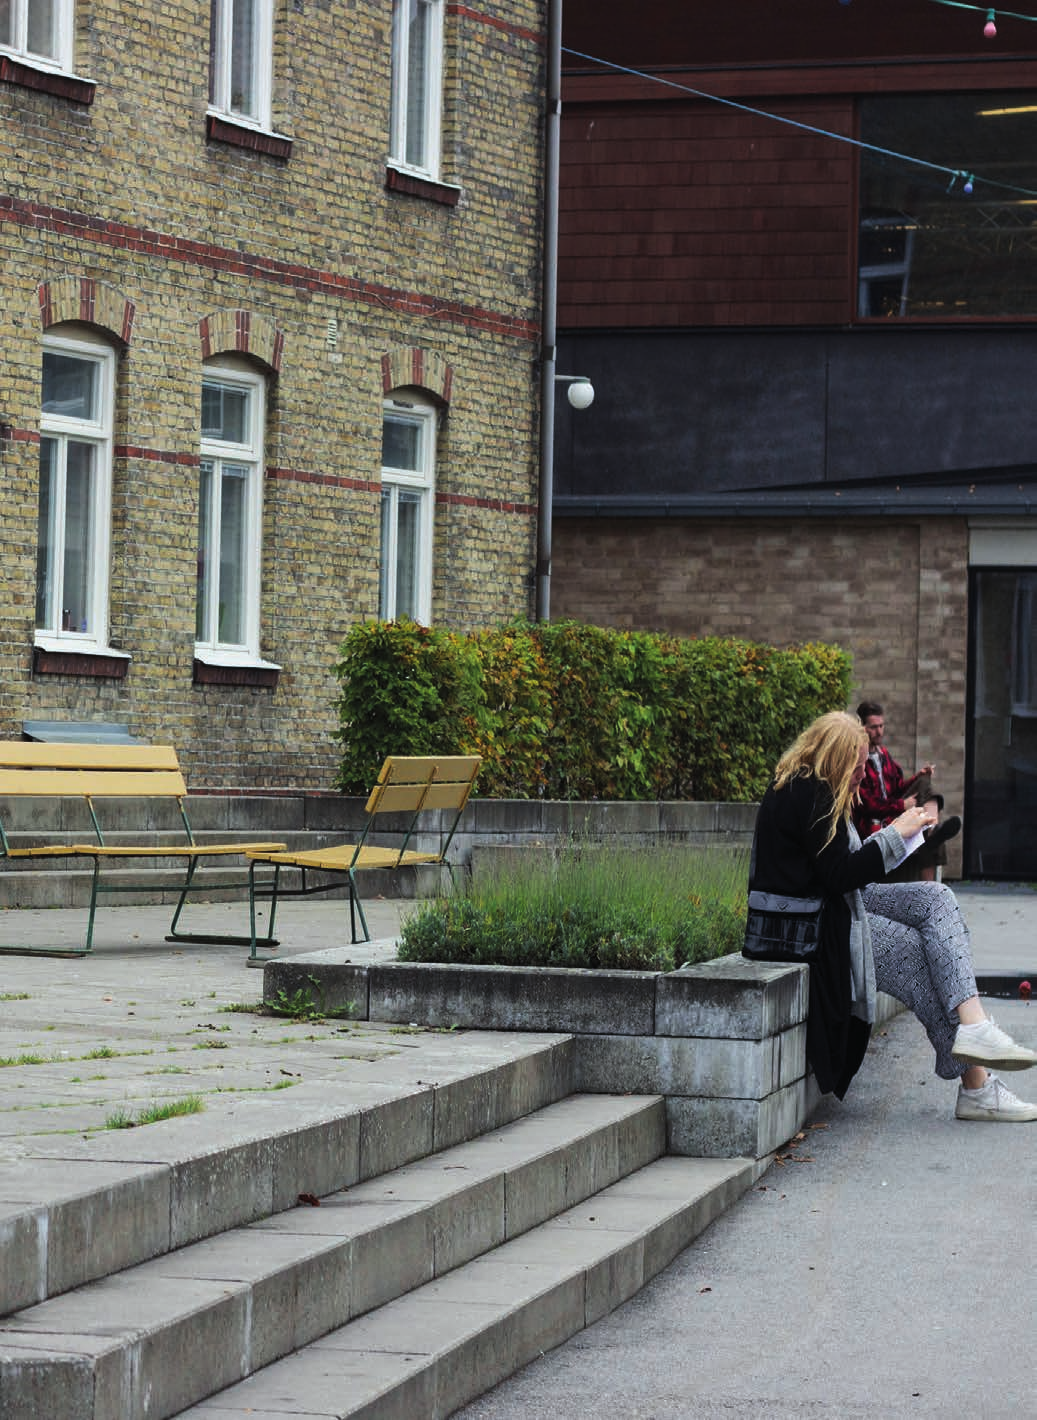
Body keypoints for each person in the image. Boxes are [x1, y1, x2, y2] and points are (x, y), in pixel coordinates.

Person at [747, 710, 1037, 1120]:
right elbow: (838, 875)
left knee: (935, 898)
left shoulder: (814, 789)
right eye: (858, 765)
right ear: (836, 757)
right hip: (808, 931)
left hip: (832, 907)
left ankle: (974, 1025)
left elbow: (839, 871)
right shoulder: (807, 794)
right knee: (917, 953)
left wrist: (901, 838)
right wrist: (893, 835)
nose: (863, 775)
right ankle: (976, 1087)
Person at [853, 699, 946, 880]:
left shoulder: (884, 754)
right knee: (930, 844)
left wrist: (918, 776)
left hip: (893, 811)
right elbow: (868, 804)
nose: (879, 731)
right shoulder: (858, 760)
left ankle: (931, 827)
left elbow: (896, 788)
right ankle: (931, 829)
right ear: (862, 728)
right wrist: (901, 806)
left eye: (881, 726)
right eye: (873, 727)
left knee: (923, 782)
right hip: (876, 822)